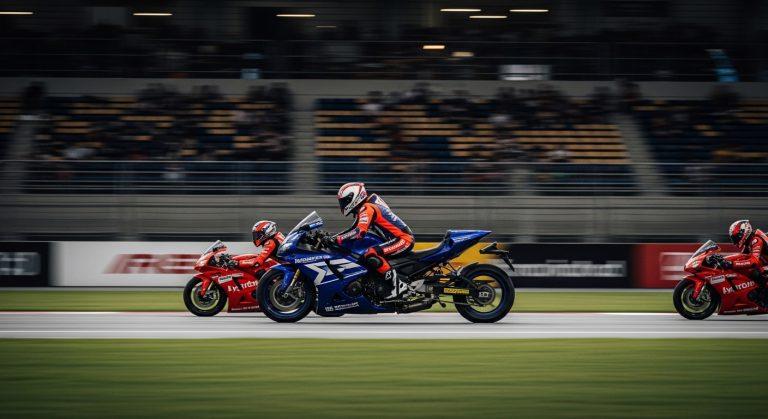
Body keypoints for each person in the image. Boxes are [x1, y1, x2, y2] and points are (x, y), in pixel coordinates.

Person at [333, 182, 414, 300]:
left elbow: (359, 231)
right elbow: (352, 229)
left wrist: (338, 239)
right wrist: (332, 237)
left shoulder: (367, 207)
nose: (343, 204)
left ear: (354, 197)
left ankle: (398, 286)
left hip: (403, 239)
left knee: (371, 253)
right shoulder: (367, 206)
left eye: (345, 201)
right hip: (399, 239)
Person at [720, 220, 768, 305]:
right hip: (765, 263)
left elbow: (753, 261)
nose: (736, 239)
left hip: (765, 265)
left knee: (755, 272)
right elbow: (742, 256)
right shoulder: (749, 241)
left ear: (744, 232)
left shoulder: (756, 240)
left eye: (737, 237)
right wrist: (724, 259)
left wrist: (731, 264)